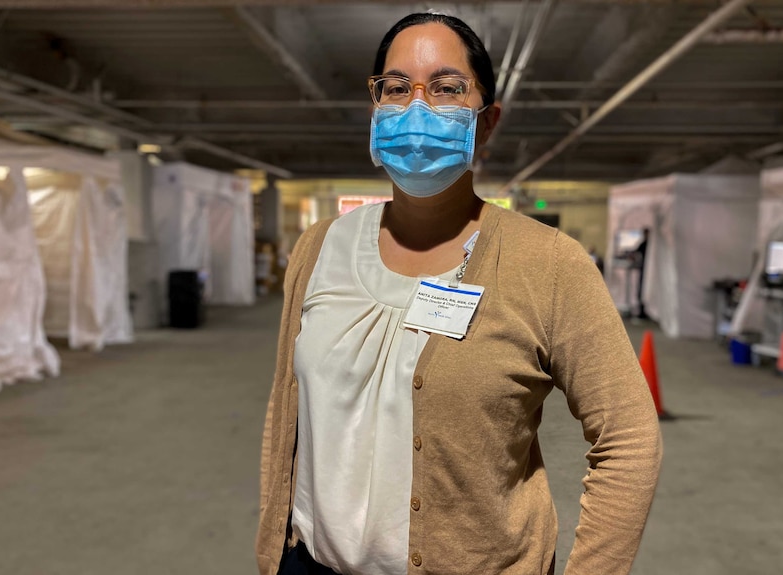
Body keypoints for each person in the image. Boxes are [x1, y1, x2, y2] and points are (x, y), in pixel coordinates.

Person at [256, 12, 662, 575]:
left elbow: (629, 438)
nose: (416, 107)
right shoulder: (318, 249)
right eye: (396, 88)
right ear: (375, 108)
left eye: (446, 87)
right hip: (312, 565)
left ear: (486, 121)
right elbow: (288, 412)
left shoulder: (547, 264)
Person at [631, 228, 650, 319]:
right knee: (642, 290)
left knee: (643, 290)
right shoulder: (646, 244)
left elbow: (634, 252)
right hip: (645, 271)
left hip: (645, 271)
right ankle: (642, 311)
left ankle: (644, 312)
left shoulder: (646, 244)